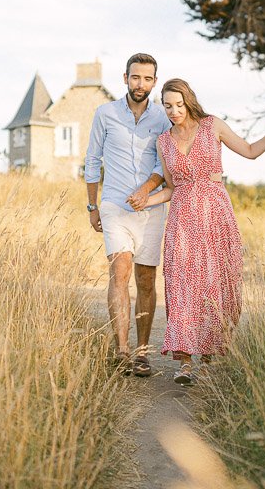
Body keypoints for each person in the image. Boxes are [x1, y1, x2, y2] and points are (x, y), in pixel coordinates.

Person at [144, 78, 265, 384]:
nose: (173, 111)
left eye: (179, 105)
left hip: (215, 215)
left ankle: (209, 360)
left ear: (189, 101)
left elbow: (249, 151)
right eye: (168, 106)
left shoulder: (213, 126)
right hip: (182, 218)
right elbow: (170, 188)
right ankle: (185, 362)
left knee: (214, 282)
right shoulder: (164, 141)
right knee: (182, 283)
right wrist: (145, 200)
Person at [84, 53, 172, 377]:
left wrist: (146, 191)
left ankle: (142, 352)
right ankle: (122, 350)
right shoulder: (105, 113)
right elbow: (92, 159)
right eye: (135, 77)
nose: (140, 84)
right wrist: (92, 206)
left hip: (150, 210)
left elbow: (164, 164)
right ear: (125, 78)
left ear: (154, 82)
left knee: (146, 280)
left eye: (147, 79)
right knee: (119, 271)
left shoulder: (163, 118)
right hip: (114, 206)